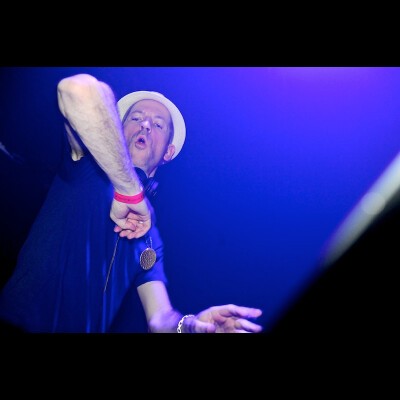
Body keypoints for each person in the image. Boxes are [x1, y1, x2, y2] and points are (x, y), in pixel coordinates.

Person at [0, 73, 263, 333]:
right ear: (116, 128)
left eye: (158, 125)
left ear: (168, 152)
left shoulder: (150, 236)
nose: (145, 125)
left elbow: (160, 319)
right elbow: (76, 89)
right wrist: (130, 191)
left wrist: (191, 325)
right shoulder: (84, 164)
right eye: (136, 118)